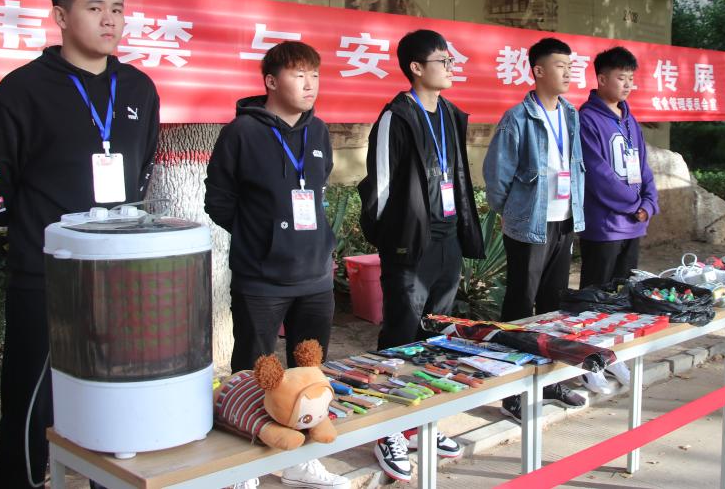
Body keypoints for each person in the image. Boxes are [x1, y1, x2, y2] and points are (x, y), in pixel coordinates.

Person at [0, 0, 160, 488]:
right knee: (32, 401)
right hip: (47, 274)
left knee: (116, 396)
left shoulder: (139, 89)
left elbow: (143, 168)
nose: (109, 20)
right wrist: (24, 244)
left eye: (117, 9)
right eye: (95, 8)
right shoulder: (22, 90)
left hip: (118, 272)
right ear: (60, 15)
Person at [204, 41, 348, 489]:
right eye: (299, 75)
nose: (310, 84)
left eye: (315, 75)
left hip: (315, 277)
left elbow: (318, 191)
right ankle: (244, 467)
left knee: (309, 372)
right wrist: (260, 238)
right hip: (261, 279)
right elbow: (219, 200)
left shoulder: (318, 130)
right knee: (255, 371)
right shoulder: (241, 132)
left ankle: (300, 463)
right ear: (271, 81)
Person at [358, 29, 485, 482]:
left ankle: (421, 422)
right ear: (416, 67)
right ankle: (387, 429)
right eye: (442, 61)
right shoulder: (396, 116)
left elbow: (458, 177)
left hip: (448, 241)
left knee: (434, 337)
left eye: (451, 61)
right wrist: (394, 242)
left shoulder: (449, 113)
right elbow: (379, 187)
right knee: (400, 336)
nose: (451, 68)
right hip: (410, 247)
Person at [482, 36, 588, 422]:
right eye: (560, 66)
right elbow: (497, 175)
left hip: (564, 221)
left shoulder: (571, 114)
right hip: (530, 225)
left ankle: (549, 382)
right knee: (520, 307)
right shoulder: (518, 117)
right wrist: (514, 213)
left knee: (553, 306)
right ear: (539, 71)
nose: (568, 73)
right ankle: (512, 392)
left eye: (571, 66)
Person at [578, 46, 659, 288]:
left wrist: (649, 203)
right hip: (604, 227)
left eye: (631, 78)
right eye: (621, 78)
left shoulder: (630, 120)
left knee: (624, 294)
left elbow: (643, 166)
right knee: (596, 294)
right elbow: (597, 174)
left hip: (634, 224)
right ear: (602, 79)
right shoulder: (587, 119)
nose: (628, 84)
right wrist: (635, 205)